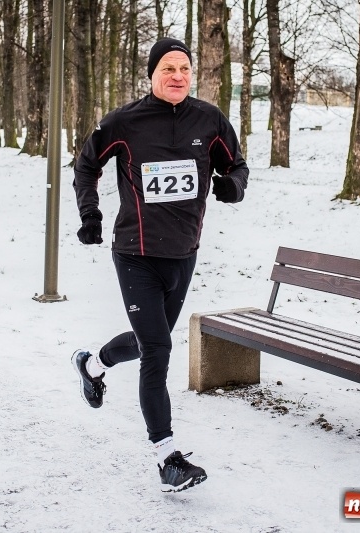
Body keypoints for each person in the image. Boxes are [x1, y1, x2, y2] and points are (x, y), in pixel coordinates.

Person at [71, 38, 249, 493]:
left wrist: (232, 185)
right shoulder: (125, 121)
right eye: (168, 67)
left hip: (183, 254)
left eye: (185, 68)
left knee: (154, 339)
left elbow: (238, 166)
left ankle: (92, 363)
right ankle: (166, 456)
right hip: (135, 254)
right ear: (151, 74)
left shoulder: (209, 119)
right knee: (158, 350)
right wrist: (89, 214)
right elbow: (86, 164)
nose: (178, 75)